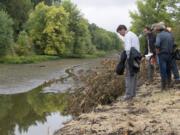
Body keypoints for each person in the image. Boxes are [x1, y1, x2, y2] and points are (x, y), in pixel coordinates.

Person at [116, 25, 141, 100]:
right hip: (137, 57)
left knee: (128, 76)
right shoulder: (134, 35)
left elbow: (127, 49)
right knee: (134, 76)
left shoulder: (127, 36)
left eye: (120, 33)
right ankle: (133, 94)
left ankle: (128, 95)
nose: (121, 35)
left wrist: (126, 59)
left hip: (130, 58)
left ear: (123, 29)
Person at [155, 23, 174, 90]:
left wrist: (157, 53)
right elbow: (173, 44)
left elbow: (157, 45)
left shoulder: (159, 35)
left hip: (162, 55)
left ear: (158, 29)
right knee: (168, 69)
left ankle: (164, 86)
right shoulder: (169, 35)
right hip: (170, 54)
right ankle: (169, 83)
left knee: (163, 70)